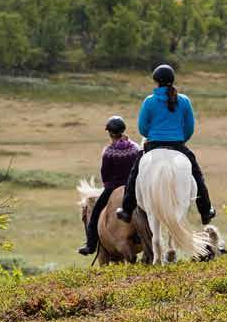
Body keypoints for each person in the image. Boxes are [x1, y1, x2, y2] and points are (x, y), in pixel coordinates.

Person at [116, 64, 216, 226]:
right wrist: (181, 139)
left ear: (156, 81)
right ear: (172, 80)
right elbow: (189, 127)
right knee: (197, 175)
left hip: (154, 144)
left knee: (134, 174)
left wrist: (152, 135)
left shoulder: (149, 101)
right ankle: (206, 210)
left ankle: (126, 209)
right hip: (178, 145)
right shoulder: (184, 101)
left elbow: (142, 127)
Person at [78, 115, 140, 255]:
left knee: (95, 214)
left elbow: (105, 174)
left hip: (114, 186)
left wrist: (108, 186)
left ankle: (90, 246)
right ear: (123, 130)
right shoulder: (135, 147)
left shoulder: (108, 152)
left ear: (110, 133)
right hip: (134, 187)